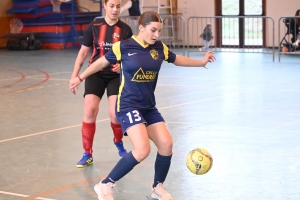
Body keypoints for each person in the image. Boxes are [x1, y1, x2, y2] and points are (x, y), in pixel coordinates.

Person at [69, 11, 216, 200]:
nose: (156, 35)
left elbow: (176, 59)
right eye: (153, 30)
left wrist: (200, 62)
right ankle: (105, 184)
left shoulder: (159, 48)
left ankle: (157, 188)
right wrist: (79, 77)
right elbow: (99, 63)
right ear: (141, 28)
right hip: (129, 105)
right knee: (142, 150)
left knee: (166, 143)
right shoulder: (123, 46)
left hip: (148, 106)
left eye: (159, 31)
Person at [70, 0, 133, 168]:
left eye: (118, 6)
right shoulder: (94, 26)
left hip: (114, 76)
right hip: (95, 73)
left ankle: (118, 142)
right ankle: (87, 153)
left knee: (114, 113)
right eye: (111, 5)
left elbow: (130, 56)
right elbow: (83, 53)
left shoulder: (126, 30)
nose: (115, 9)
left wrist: (123, 65)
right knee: (90, 110)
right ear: (105, 5)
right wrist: (74, 76)